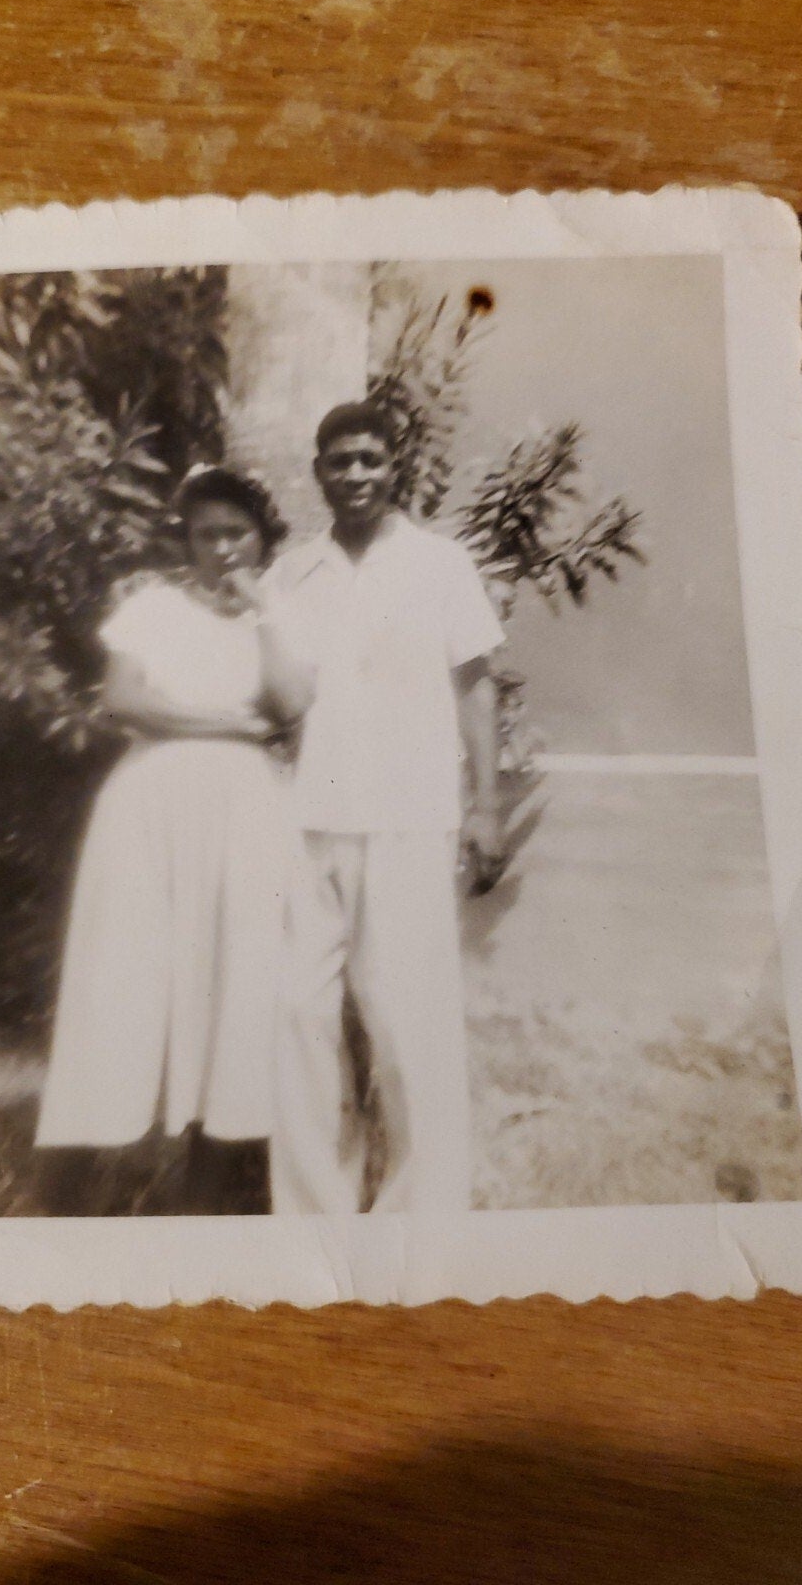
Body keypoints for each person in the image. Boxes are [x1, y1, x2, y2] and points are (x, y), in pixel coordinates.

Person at [33, 466, 315, 1210]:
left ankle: (210, 1181)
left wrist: (264, 615)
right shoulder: (152, 607)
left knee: (238, 976)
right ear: (187, 542)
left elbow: (290, 706)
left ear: (262, 539)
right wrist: (228, 723)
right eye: (206, 535)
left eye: (236, 533)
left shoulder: (281, 611)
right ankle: (66, 1182)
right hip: (150, 804)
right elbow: (124, 700)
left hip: (248, 811)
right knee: (120, 974)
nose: (221, 549)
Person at [264, 402, 507, 1215]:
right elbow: (272, 694)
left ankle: (420, 1209)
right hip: (310, 818)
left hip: (410, 813)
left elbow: (475, 687)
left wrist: (487, 807)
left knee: (406, 1014)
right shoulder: (290, 575)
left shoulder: (441, 566)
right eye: (340, 461)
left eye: (371, 459)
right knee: (298, 1012)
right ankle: (312, 1211)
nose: (357, 475)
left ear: (394, 465)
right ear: (319, 471)